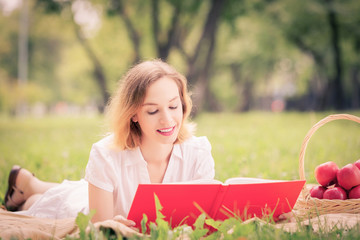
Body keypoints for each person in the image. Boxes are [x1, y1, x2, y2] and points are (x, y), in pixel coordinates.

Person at [3, 59, 215, 227]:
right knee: (47, 205)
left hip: (97, 190)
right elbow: (100, 228)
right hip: (79, 209)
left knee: (81, 188)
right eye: (153, 110)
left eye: (173, 106)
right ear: (133, 114)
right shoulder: (105, 155)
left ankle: (31, 184)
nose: (167, 120)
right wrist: (108, 227)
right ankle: (30, 193)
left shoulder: (198, 152)